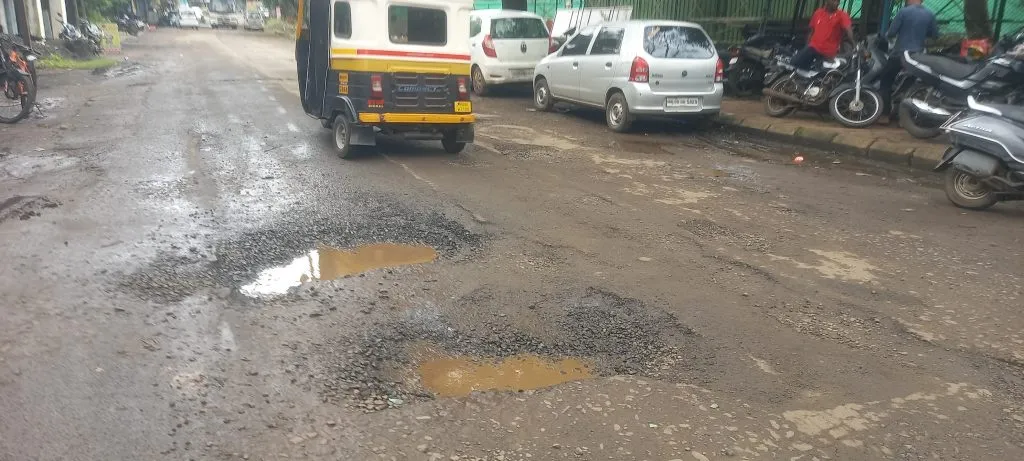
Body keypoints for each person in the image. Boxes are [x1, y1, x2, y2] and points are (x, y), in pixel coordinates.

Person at [880, 0, 938, 124]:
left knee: (885, 81)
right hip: (917, 57)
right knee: (911, 87)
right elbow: (934, 35)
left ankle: (884, 115)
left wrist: (888, 36)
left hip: (899, 54)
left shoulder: (903, 12)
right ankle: (904, 119)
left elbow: (891, 32)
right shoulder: (929, 14)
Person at [790, 0, 856, 70]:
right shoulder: (818, 13)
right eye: (834, 1)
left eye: (838, 1)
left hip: (827, 51)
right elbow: (811, 32)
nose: (837, 3)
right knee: (799, 64)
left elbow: (849, 32)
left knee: (794, 62)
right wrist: (807, 46)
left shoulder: (842, 15)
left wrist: (855, 46)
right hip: (813, 48)